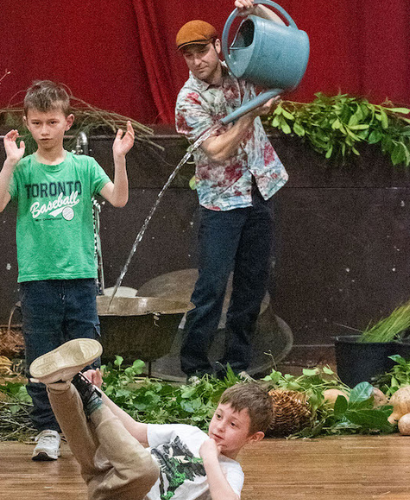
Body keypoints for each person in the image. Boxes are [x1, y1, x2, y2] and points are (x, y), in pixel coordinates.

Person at [0, 80, 135, 460]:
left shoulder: (84, 166)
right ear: (26, 123)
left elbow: (118, 199)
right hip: (37, 280)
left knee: (88, 356)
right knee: (42, 357)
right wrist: (9, 162)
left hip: (81, 278)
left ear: (68, 122)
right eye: (36, 123)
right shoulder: (23, 169)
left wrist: (119, 158)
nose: (44, 131)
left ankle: (94, 426)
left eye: (52, 122)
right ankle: (48, 430)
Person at [174, 0, 289, 381]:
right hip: (221, 201)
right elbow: (218, 150)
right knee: (210, 288)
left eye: (201, 51)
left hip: (259, 189)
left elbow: (283, 41)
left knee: (251, 287)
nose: (196, 61)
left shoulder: (242, 69)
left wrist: (254, 9)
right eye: (188, 55)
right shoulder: (188, 100)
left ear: (217, 47)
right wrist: (252, 112)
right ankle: (194, 368)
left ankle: (237, 367)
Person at [30, 338, 274, 500]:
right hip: (107, 476)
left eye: (233, 424)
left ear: (254, 438)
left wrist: (211, 459)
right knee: (105, 448)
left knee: (146, 470)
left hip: (132, 491)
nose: (220, 426)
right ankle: (61, 385)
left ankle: (85, 393)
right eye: (219, 415)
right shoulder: (190, 433)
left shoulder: (230, 471)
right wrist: (101, 394)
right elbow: (135, 430)